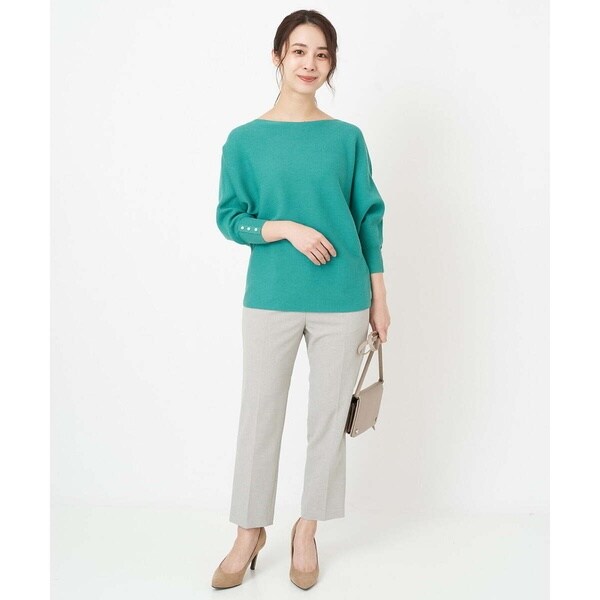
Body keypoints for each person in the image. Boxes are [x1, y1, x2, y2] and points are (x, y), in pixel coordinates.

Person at [211, 9, 391, 590]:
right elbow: (230, 218)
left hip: (344, 297)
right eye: (299, 51)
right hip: (270, 296)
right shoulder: (245, 140)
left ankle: (307, 530)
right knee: (259, 415)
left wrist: (379, 298)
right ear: (278, 57)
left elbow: (368, 220)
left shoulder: (346, 138)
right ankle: (248, 531)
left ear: (331, 63)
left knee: (327, 420)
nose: (310, 63)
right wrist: (284, 228)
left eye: (322, 54)